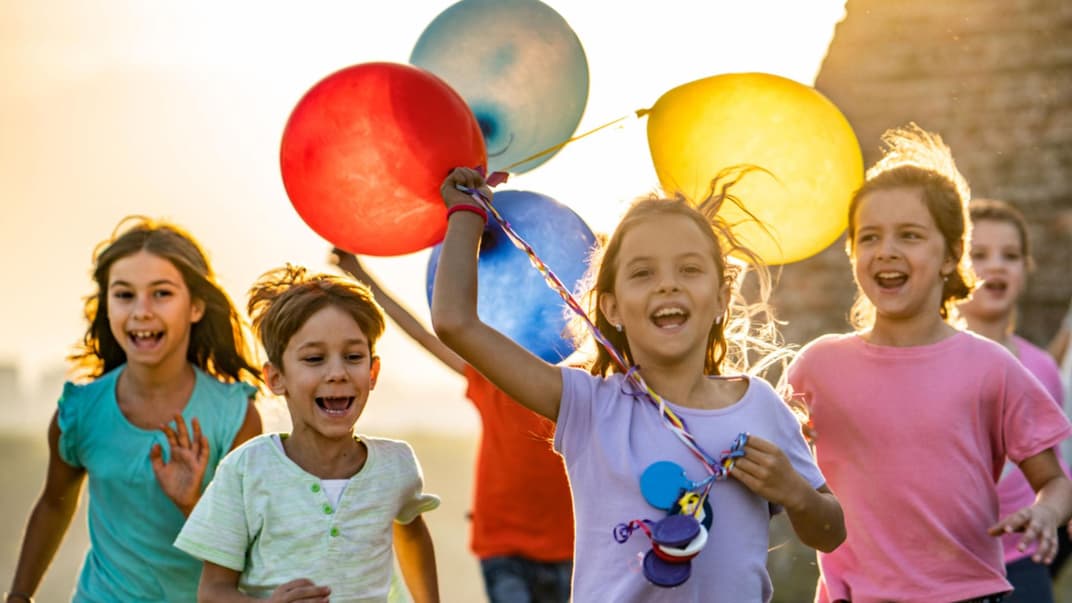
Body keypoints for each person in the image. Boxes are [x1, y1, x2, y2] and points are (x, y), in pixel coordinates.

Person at [430, 167, 845, 602]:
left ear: (722, 298)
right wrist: (465, 214)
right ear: (611, 308)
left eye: (689, 269)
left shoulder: (759, 404)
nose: (668, 284)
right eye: (643, 273)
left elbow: (831, 532)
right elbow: (455, 323)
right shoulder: (588, 405)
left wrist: (797, 494)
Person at [787, 125, 1072, 603]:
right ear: (854, 253)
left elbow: (1055, 481)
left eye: (911, 235)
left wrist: (1046, 514)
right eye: (870, 236)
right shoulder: (817, 366)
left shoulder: (991, 367)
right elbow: (786, 480)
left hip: (970, 596)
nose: (887, 250)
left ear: (951, 255)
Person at [5, 217, 263, 603]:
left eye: (161, 294)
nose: (141, 311)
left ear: (195, 306)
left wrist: (191, 502)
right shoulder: (79, 412)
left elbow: (248, 545)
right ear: (106, 305)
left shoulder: (235, 414)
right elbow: (53, 504)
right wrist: (19, 595)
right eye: (124, 295)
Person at [175, 265, 441, 602]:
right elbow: (212, 591)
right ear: (276, 378)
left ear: (372, 371)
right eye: (314, 358)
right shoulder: (245, 470)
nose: (337, 373)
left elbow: (412, 533)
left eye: (353, 357)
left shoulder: (396, 464)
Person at [331, 250, 574, 603]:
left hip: (571, 544)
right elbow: (423, 334)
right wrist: (361, 275)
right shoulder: (494, 376)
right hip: (503, 544)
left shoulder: (580, 382)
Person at [959, 198, 1070, 600]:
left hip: (1020, 562)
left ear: (1026, 269)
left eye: (1010, 255)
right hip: (948, 564)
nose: (996, 265)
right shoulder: (928, 359)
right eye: (979, 254)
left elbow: (1054, 465)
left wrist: (1053, 510)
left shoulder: (1041, 368)